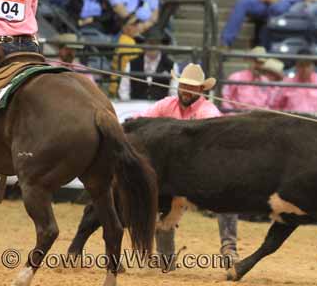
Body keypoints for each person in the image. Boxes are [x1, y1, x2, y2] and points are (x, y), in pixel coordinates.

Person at [133, 63, 240, 264]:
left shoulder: (208, 111)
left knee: (228, 194)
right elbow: (140, 120)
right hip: (173, 175)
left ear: (201, 90)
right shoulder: (166, 104)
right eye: (184, 85)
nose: (186, 91)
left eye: (192, 87)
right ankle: (166, 259)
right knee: (159, 199)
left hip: (201, 173)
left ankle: (229, 247)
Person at [270, 48, 317, 112]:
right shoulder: (287, 83)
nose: (304, 69)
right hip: (292, 124)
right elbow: (274, 106)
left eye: (307, 65)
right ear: (296, 66)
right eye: (301, 65)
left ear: (313, 66)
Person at [118, 30, 178, 101]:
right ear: (143, 44)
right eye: (149, 42)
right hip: (136, 107)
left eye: (155, 43)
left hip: (161, 108)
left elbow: (174, 93)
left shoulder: (171, 65)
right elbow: (124, 90)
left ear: (161, 44)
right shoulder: (132, 64)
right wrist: (129, 107)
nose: (152, 46)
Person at [221, 46, 277, 110]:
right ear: (250, 61)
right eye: (256, 61)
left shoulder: (265, 81)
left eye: (261, 63)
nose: (259, 65)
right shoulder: (236, 77)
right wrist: (232, 114)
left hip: (259, 116)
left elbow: (269, 103)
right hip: (238, 116)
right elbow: (225, 98)